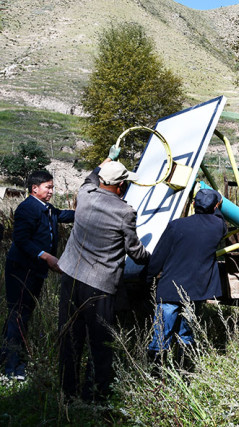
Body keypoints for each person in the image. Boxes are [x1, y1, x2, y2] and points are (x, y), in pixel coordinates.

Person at [57, 151, 150, 402]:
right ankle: (96, 396)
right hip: (99, 285)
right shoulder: (125, 212)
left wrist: (108, 158)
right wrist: (151, 255)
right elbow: (136, 252)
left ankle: (68, 392)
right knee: (100, 342)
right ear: (121, 186)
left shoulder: (85, 195)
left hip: (70, 276)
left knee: (70, 336)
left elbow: (91, 175)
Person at [2, 171, 74, 380]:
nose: (51, 191)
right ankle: (12, 369)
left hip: (35, 271)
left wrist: (86, 212)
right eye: (48, 187)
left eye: (52, 187)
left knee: (19, 315)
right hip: (22, 270)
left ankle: (6, 358)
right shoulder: (27, 208)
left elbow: (62, 215)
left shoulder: (47, 209)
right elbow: (21, 240)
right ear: (35, 188)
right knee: (19, 316)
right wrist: (46, 257)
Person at [146, 188, 227, 366]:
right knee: (186, 334)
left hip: (169, 289)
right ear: (215, 206)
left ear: (193, 204)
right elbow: (220, 217)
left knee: (161, 335)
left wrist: (149, 277)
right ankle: (184, 370)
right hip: (196, 291)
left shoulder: (176, 225)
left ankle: (156, 374)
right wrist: (218, 203)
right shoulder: (218, 227)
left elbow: (158, 256)